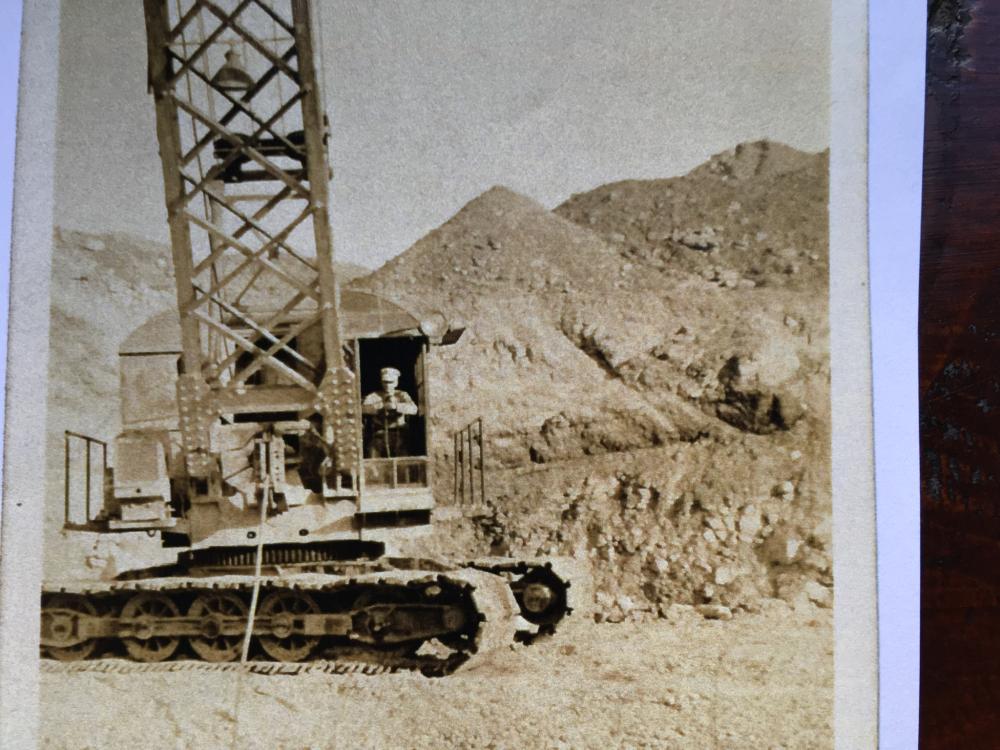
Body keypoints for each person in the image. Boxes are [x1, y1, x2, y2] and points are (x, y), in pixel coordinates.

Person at [362, 367, 417, 458]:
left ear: (396, 382)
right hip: (379, 435)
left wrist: (397, 407)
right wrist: (378, 407)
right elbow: (362, 409)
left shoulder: (402, 395)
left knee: (403, 460)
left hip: (399, 434)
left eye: (390, 382)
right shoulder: (374, 396)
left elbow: (414, 409)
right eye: (385, 382)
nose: (387, 385)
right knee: (372, 454)